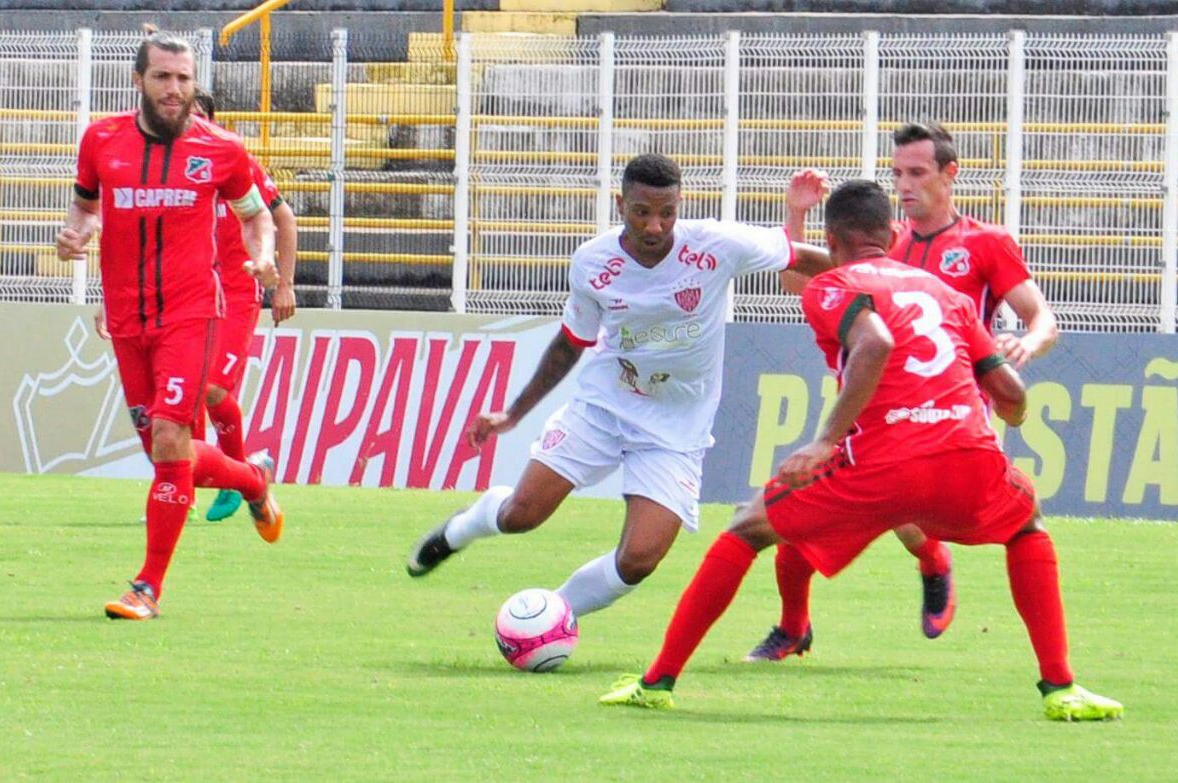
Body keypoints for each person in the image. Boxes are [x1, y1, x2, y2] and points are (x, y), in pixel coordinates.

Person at [599, 179, 1122, 721]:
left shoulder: (836, 284)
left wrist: (826, 441)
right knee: (1026, 527)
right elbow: (1010, 395)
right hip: (966, 454)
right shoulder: (948, 294)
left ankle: (658, 680)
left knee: (747, 527)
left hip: (880, 462)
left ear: (832, 239)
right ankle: (1061, 687)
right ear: (894, 233)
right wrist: (1012, 417)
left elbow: (875, 342)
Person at [405, 154, 835, 621]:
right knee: (520, 516)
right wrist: (514, 413)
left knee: (639, 560)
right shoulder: (593, 261)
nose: (654, 226)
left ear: (679, 205)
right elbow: (571, 343)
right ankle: (466, 526)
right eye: (641, 212)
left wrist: (885, 283)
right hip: (603, 408)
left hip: (676, 428)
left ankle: (550, 617)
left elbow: (805, 261)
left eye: (666, 213)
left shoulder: (716, 244)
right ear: (620, 204)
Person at [749, 121, 1061, 660]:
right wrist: (797, 212)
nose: (905, 185)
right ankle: (800, 624)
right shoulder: (880, 242)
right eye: (897, 174)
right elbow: (804, 285)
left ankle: (932, 562)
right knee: (801, 512)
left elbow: (1042, 318)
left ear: (949, 174)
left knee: (834, 501)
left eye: (917, 173)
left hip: (951, 413)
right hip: (870, 405)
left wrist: (1024, 345)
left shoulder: (985, 244)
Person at [56, 31, 286, 621]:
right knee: (167, 452)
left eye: (183, 79)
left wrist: (263, 258)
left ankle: (147, 587)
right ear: (139, 80)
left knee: (168, 439)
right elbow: (85, 203)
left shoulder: (222, 149)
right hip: (127, 319)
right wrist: (76, 232)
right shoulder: (101, 141)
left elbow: (258, 216)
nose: (174, 88)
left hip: (191, 314)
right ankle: (253, 482)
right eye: (162, 77)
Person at [190, 89, 299, 523]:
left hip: (237, 291)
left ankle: (239, 477)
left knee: (212, 390)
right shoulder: (172, 169)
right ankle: (195, 491)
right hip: (192, 293)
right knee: (184, 397)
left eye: (200, 116)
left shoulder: (232, 160)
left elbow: (282, 217)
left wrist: (284, 284)